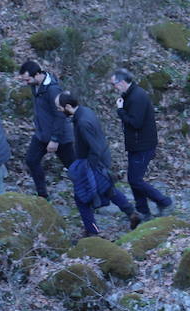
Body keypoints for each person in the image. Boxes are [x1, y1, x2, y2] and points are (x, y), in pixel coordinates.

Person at [57, 92, 142, 237]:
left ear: (68, 106)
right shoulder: (85, 111)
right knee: (108, 189)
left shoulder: (82, 122)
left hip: (94, 162)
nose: (58, 110)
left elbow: (94, 147)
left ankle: (92, 232)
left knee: (81, 198)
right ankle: (131, 213)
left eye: (59, 108)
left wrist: (88, 169)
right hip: (101, 158)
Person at [112, 69, 172, 219]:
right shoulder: (130, 94)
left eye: (115, 84)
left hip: (143, 145)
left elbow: (136, 123)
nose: (114, 88)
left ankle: (164, 202)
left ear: (122, 82)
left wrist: (120, 111)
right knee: (134, 179)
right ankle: (143, 211)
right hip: (136, 144)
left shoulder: (137, 96)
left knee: (135, 179)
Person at [17, 60, 74, 198]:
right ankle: (42, 196)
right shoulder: (35, 85)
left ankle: (94, 195)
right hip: (41, 135)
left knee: (74, 168)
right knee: (31, 160)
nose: (26, 83)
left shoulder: (53, 89)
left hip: (60, 137)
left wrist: (55, 139)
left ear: (37, 74)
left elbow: (60, 115)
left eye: (27, 79)